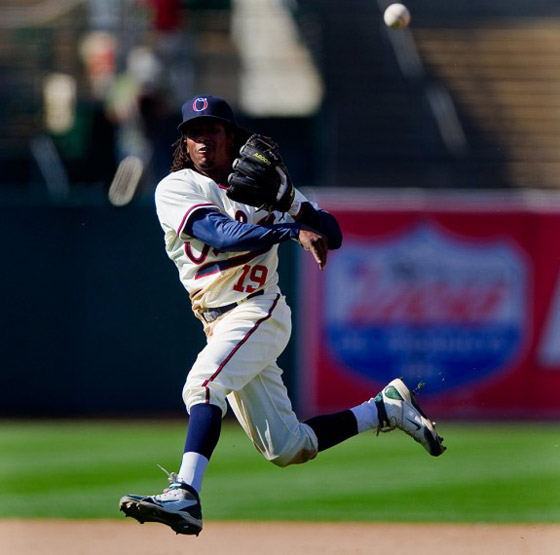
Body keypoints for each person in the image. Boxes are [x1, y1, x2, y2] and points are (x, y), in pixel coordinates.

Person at [119, 95, 445, 536]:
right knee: (287, 447)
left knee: (203, 385)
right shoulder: (176, 187)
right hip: (218, 321)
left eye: (212, 131)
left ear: (230, 137)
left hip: (260, 308)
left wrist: (291, 198)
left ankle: (186, 496)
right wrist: (291, 227)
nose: (202, 141)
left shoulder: (263, 188)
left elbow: (333, 233)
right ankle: (383, 410)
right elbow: (221, 233)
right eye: (194, 133)